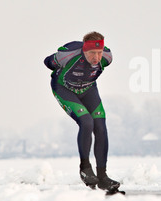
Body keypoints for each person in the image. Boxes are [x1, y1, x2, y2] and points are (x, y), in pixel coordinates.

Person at [44, 31, 120, 191]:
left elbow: (100, 59)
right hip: (64, 89)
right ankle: (85, 169)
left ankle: (102, 176)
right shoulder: (68, 54)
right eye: (92, 53)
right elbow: (47, 61)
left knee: (100, 126)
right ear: (84, 50)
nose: (96, 58)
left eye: (99, 53)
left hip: (88, 90)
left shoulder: (107, 58)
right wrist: (55, 63)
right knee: (86, 122)